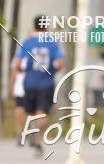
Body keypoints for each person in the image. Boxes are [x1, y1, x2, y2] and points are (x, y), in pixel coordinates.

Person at [10, 15, 64, 156]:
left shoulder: (27, 42)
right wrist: (52, 70)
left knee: (32, 112)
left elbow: (18, 63)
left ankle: (35, 138)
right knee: (43, 112)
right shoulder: (52, 42)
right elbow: (60, 63)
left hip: (29, 83)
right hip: (45, 82)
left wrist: (15, 78)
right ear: (46, 26)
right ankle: (37, 136)